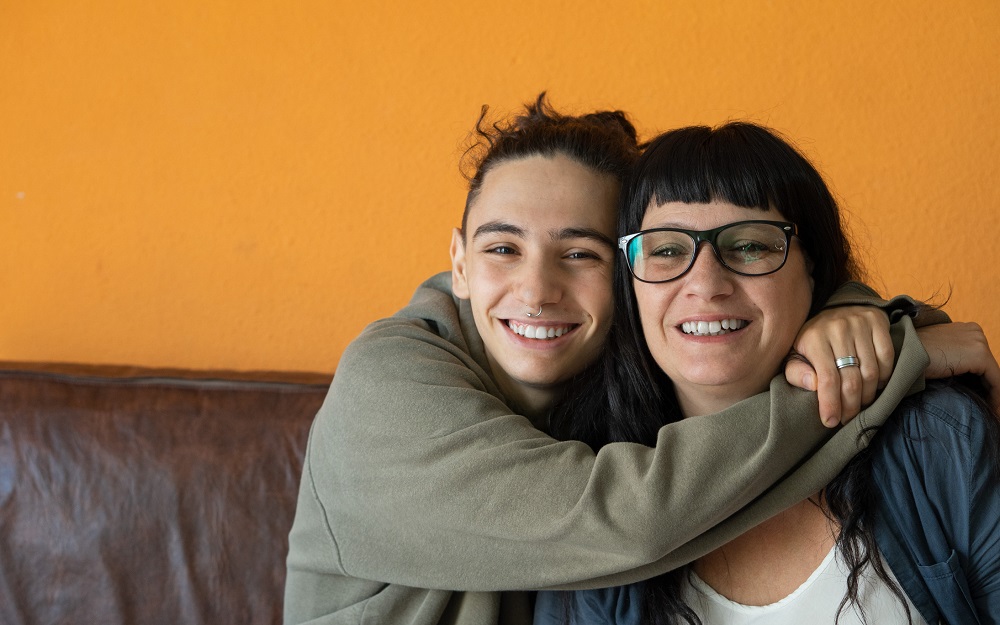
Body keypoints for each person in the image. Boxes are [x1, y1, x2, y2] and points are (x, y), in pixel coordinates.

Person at [284, 96, 997, 625]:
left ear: (622, 279)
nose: (536, 291)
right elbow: (620, 521)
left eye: (580, 253)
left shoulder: (590, 383)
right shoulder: (386, 383)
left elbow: (734, 280)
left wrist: (855, 319)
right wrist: (877, 368)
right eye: (502, 247)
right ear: (458, 262)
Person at [535, 122, 1000, 624]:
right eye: (667, 249)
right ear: (630, 285)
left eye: (751, 246)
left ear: (814, 268)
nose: (706, 284)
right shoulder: (582, 492)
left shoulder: (935, 442)